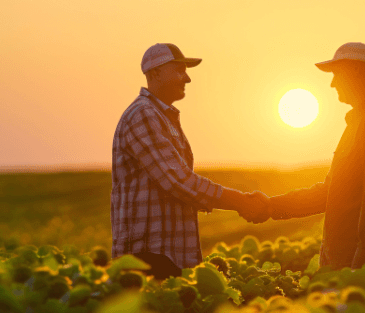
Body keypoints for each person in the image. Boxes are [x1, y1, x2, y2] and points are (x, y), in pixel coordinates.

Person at [111, 43, 268, 279]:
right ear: (156, 74)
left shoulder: (161, 116)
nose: (187, 78)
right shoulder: (143, 114)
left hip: (166, 256)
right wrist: (240, 201)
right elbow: (177, 181)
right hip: (148, 258)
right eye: (179, 71)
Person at [261, 42, 365, 269]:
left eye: (336, 74)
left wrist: (358, 268)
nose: (332, 84)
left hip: (364, 270)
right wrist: (271, 207)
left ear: (355, 71)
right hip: (352, 267)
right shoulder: (364, 120)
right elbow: (331, 192)